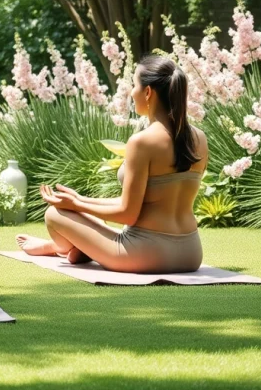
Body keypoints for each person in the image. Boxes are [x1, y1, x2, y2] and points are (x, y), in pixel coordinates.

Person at [16, 55, 208, 273]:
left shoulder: (142, 142)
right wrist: (79, 200)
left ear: (148, 92)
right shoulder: (199, 138)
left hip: (145, 255)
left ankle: (59, 247)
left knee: (54, 213)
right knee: (83, 213)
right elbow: (145, 203)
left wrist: (76, 206)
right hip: (191, 254)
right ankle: (79, 247)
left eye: (134, 85)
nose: (131, 93)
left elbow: (128, 214)